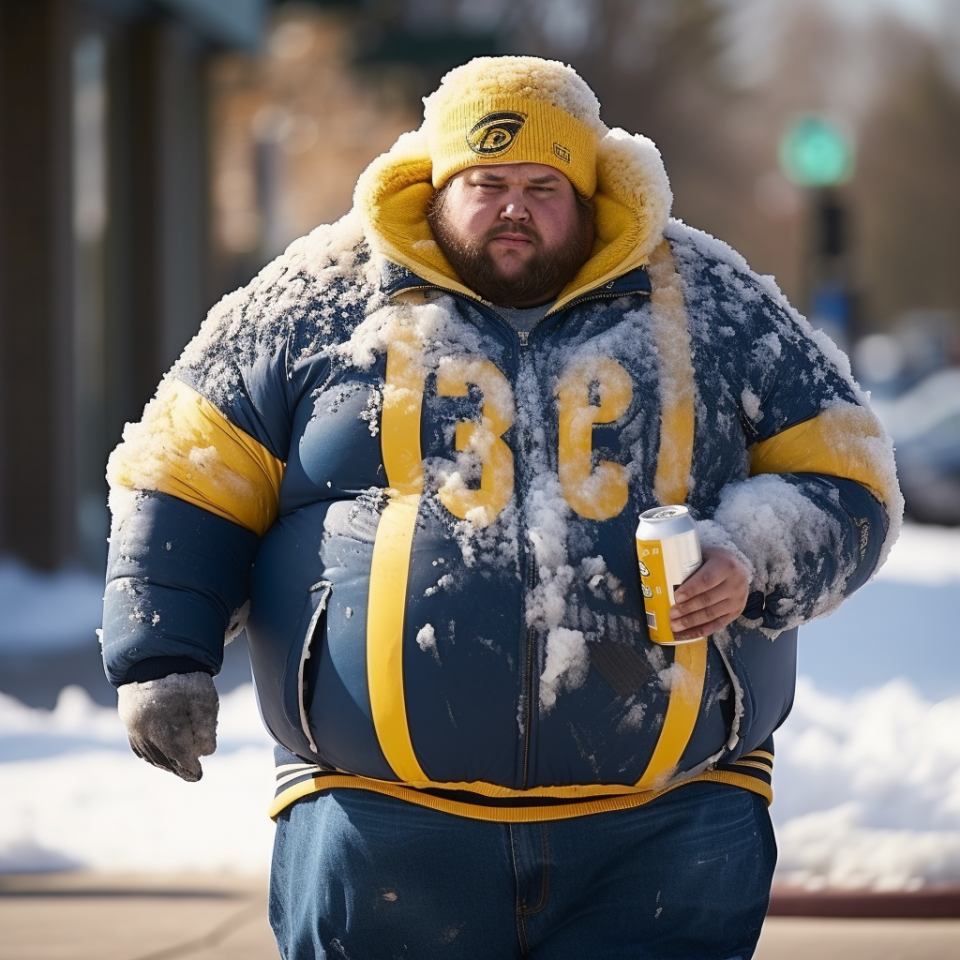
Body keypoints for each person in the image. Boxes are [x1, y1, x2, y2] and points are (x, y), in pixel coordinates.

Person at [101, 56, 901, 959]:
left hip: (667, 832)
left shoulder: (718, 304)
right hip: (380, 828)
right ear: (440, 184)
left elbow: (852, 475)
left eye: (542, 185)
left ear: (590, 192)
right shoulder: (311, 300)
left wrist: (754, 552)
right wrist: (162, 658)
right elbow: (184, 473)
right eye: (487, 183)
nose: (514, 206)